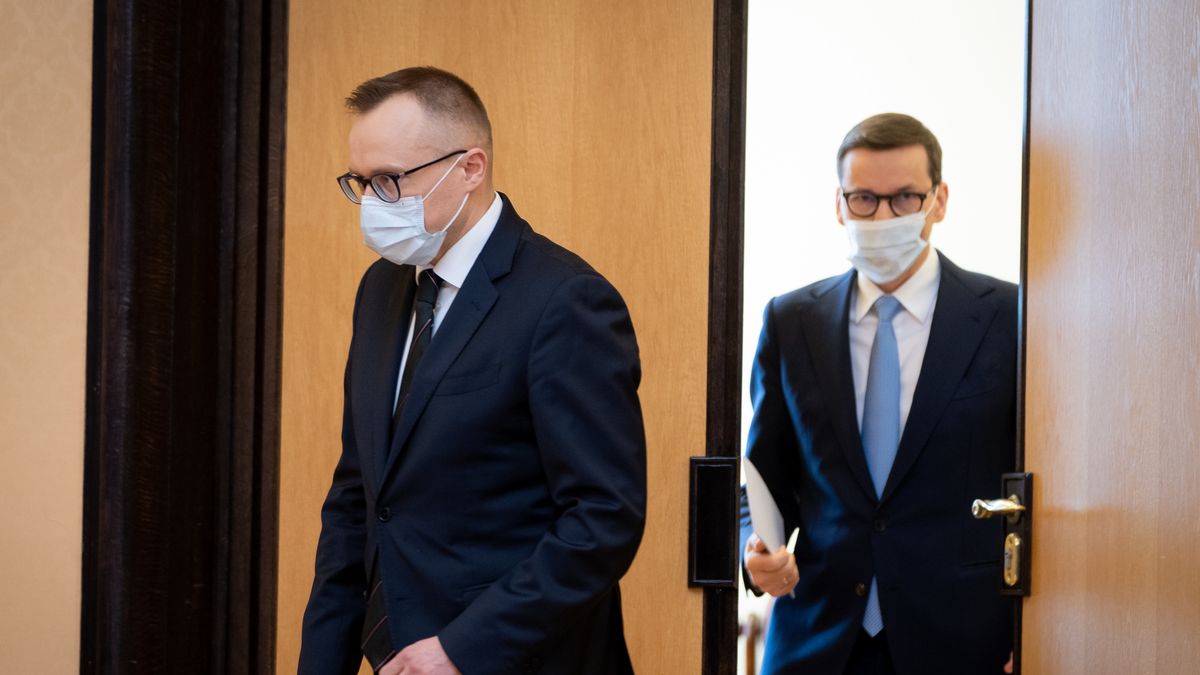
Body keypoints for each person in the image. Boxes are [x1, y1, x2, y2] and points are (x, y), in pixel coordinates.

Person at [298, 66, 647, 675]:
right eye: (360, 182)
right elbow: (358, 498)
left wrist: (462, 649)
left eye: (389, 181)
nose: (372, 204)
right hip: (395, 654)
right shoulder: (381, 289)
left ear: (470, 168)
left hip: (517, 657)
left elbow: (602, 519)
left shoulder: (565, 300)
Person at [741, 113, 1016, 674]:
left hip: (963, 643)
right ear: (839, 204)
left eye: (905, 198)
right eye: (864, 199)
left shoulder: (1011, 318)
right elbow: (761, 475)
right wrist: (755, 550)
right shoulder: (792, 321)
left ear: (939, 201)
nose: (884, 216)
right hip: (818, 640)